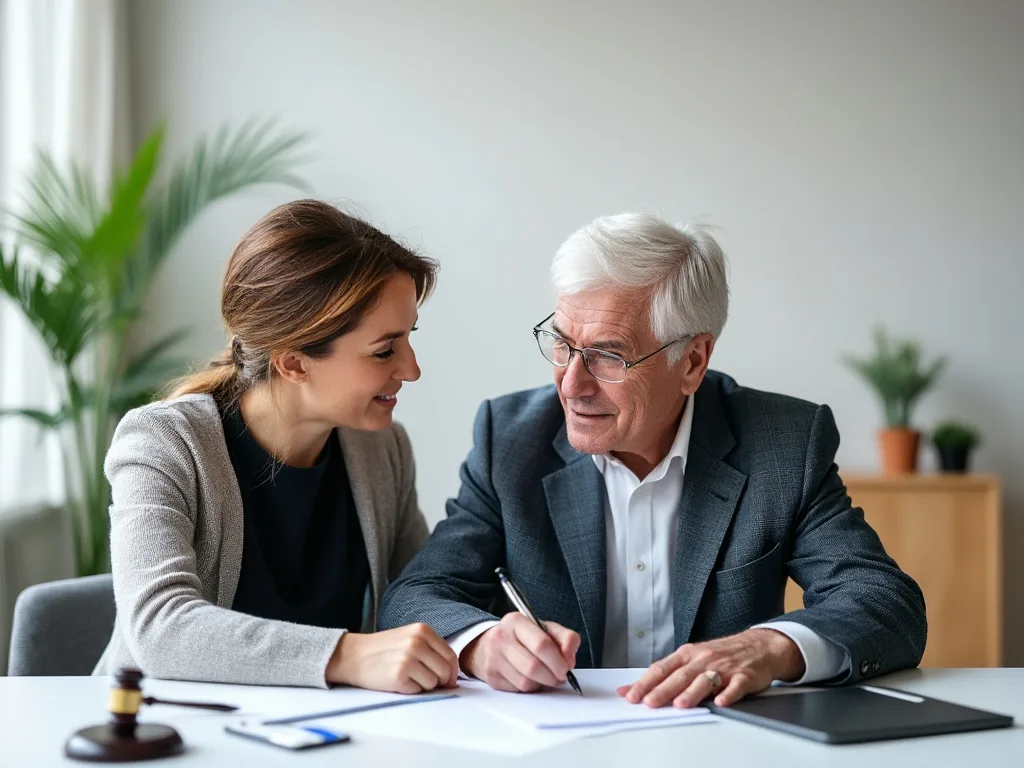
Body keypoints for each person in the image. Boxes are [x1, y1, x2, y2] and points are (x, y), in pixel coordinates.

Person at [379, 212, 927, 708]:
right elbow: (416, 596)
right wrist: (480, 643)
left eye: (609, 356)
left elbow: (884, 602)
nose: (571, 385)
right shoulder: (511, 439)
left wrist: (770, 646)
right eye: (562, 344)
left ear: (692, 360)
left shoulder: (782, 443)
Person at [95, 199, 459, 692]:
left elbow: (414, 593)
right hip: (167, 734)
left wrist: (482, 637)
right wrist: (346, 656)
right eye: (384, 350)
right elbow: (160, 629)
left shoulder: (383, 449)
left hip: (328, 734)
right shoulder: (165, 443)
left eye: (408, 338)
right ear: (293, 363)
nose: (411, 369)